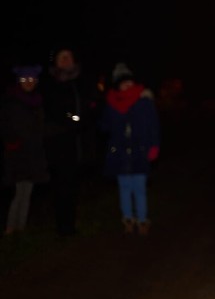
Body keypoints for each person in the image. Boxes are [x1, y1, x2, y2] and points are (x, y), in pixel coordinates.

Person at [41, 46, 99, 237]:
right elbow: (53, 110)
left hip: (79, 143)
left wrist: (85, 117)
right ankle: (63, 227)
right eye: (61, 57)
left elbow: (90, 105)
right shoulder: (51, 82)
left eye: (68, 57)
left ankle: (71, 224)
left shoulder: (81, 81)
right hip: (60, 143)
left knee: (74, 186)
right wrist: (72, 118)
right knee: (62, 186)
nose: (65, 61)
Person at [99, 62, 160, 235]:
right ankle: (127, 218)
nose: (127, 85)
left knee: (139, 188)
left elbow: (153, 125)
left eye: (129, 81)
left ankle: (142, 220)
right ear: (118, 85)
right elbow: (105, 126)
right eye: (122, 82)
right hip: (119, 152)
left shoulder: (144, 101)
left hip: (140, 151)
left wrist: (154, 145)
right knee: (124, 188)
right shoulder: (112, 103)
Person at [1, 65, 50, 235]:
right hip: (18, 154)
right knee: (17, 193)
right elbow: (12, 127)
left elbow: (41, 127)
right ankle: (9, 228)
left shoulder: (36, 101)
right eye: (24, 80)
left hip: (32, 154)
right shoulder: (13, 100)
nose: (28, 83)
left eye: (31, 80)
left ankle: (20, 228)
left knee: (26, 192)